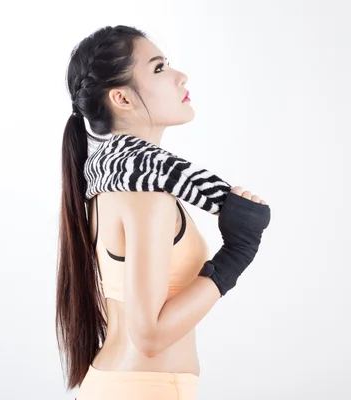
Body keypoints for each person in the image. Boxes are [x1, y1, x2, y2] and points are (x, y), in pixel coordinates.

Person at [55, 25, 270, 400]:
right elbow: (149, 335)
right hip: (145, 389)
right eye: (158, 68)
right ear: (122, 98)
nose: (180, 76)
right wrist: (238, 253)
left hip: (122, 384)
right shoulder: (145, 194)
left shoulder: (111, 182)